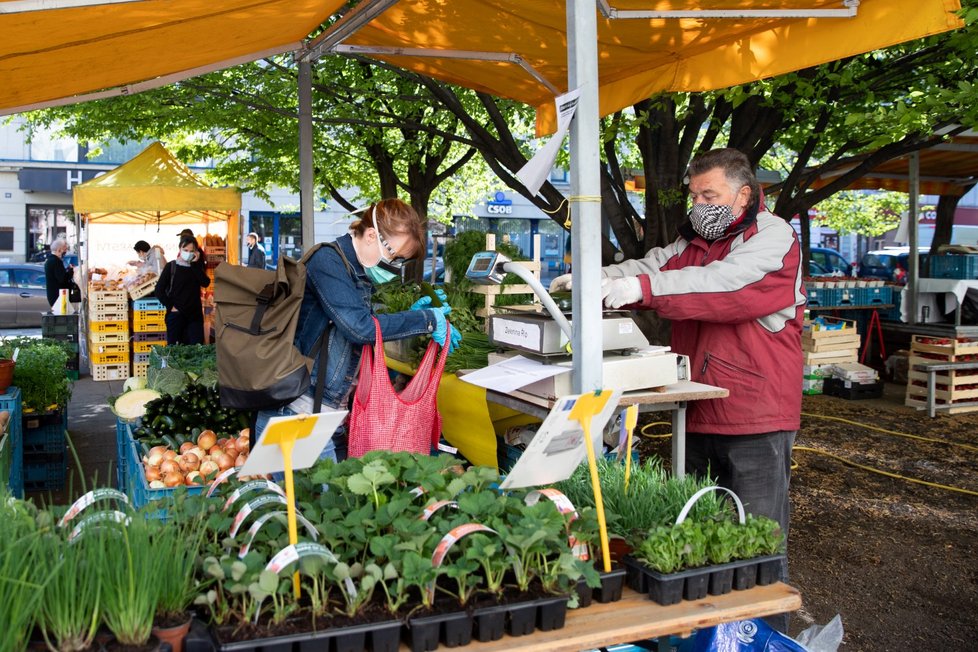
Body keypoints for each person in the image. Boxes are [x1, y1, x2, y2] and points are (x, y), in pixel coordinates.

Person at [551, 148, 803, 628]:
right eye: (694, 194)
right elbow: (653, 266)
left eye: (710, 194)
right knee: (698, 538)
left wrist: (643, 292)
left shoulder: (774, 237)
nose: (699, 203)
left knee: (758, 545)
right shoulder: (696, 240)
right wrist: (596, 278)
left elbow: (723, 286)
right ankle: (708, 634)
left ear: (744, 194)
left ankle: (764, 638)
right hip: (697, 403)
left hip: (754, 412)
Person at [255, 198, 462, 462]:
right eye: (394, 255)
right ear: (372, 235)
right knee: (313, 500)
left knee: (322, 499)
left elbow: (360, 324)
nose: (395, 265)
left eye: (401, 261)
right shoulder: (327, 262)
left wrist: (409, 315)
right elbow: (359, 328)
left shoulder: (356, 273)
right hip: (298, 413)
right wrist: (424, 320)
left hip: (323, 411)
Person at [155, 235, 210, 345]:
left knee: (195, 349)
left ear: (196, 252)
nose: (188, 253)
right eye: (185, 250)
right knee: (175, 350)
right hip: (176, 315)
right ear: (180, 249)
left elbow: (205, 282)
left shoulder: (196, 267)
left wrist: (194, 264)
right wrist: (171, 306)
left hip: (195, 316)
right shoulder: (171, 266)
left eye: (191, 250)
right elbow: (159, 290)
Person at [44, 237, 76, 308]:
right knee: (63, 317)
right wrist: (70, 270)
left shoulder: (49, 260)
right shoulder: (56, 261)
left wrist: (67, 270)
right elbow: (62, 279)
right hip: (59, 296)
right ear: (59, 250)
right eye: (64, 250)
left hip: (53, 296)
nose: (65, 252)